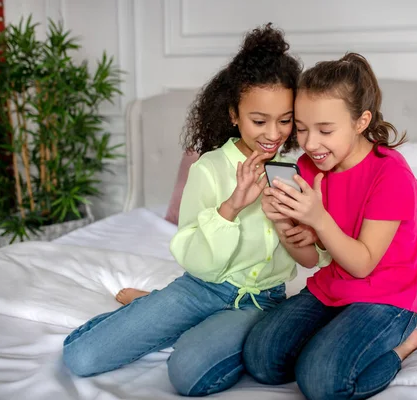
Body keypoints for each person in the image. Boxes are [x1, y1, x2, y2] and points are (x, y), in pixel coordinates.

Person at [62, 23, 324, 397]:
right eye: (259, 120)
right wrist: (233, 206)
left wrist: (295, 229)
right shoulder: (210, 168)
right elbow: (196, 260)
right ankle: (157, 309)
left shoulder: (299, 174)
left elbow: (313, 258)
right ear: (234, 114)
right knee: (81, 358)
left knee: (188, 374)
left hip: (260, 301)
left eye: (285, 120)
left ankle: (172, 315)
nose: (273, 134)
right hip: (201, 287)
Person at [243, 52, 417, 400]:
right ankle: (332, 337)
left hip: (385, 299)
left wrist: (318, 219)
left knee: (321, 383)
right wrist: (284, 224)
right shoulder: (309, 167)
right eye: (301, 129)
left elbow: (363, 264)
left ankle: (402, 348)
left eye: (325, 130)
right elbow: (309, 259)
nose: (310, 143)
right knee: (261, 360)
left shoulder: (391, 176)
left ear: (361, 122)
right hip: (333, 289)